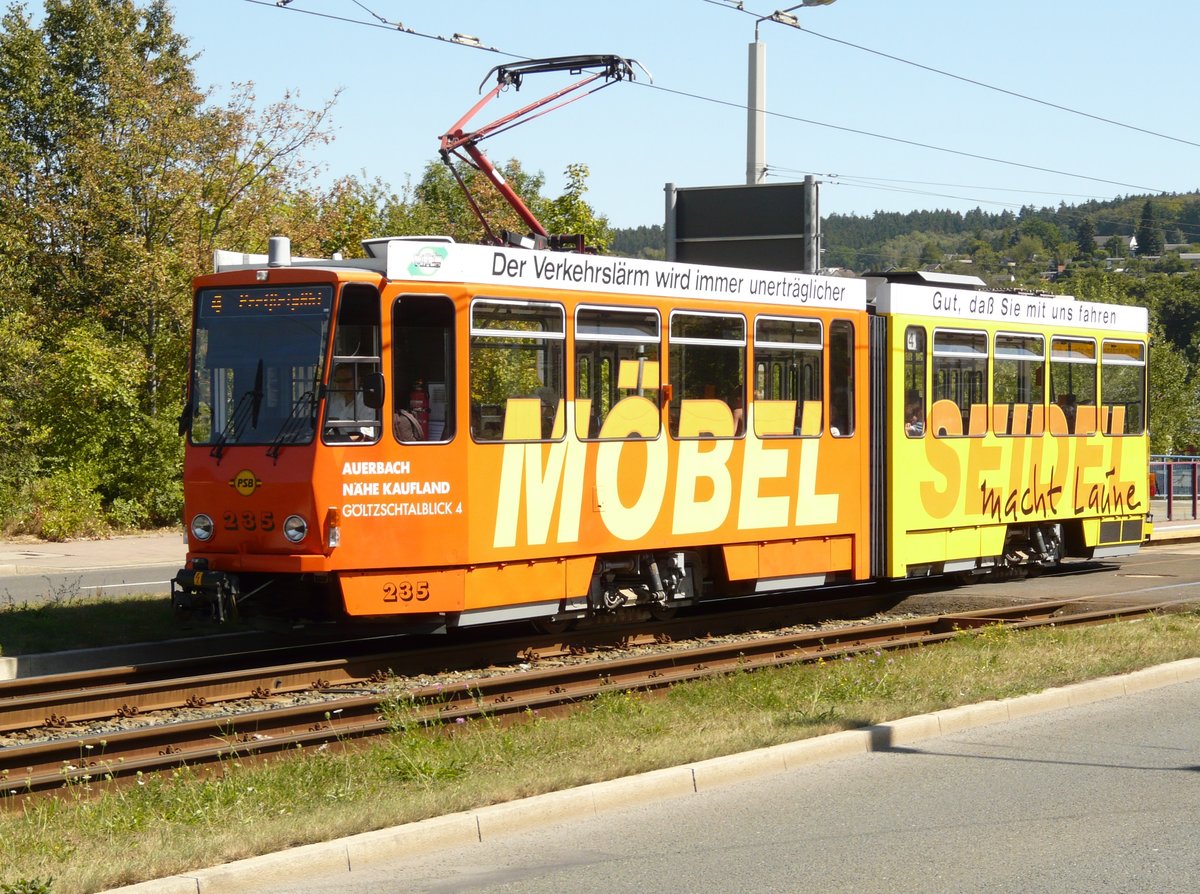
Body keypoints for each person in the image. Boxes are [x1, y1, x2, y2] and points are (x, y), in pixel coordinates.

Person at [326, 364, 374, 440]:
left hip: (354, 448)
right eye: (338, 381)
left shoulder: (366, 402)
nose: (341, 385)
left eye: (346, 381)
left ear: (358, 380)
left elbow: (367, 436)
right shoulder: (334, 399)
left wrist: (338, 441)